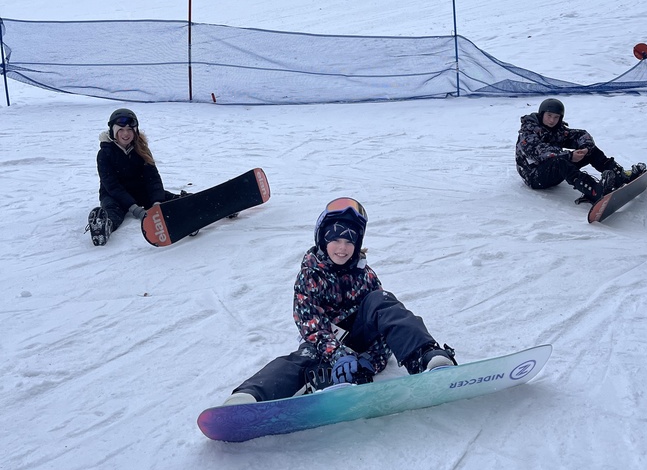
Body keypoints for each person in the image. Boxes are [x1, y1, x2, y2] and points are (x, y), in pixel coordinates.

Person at [221, 198, 457, 405]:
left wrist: (371, 361)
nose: (342, 248)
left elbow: (386, 323)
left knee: (381, 300)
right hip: (325, 343)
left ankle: (426, 357)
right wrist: (338, 355)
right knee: (300, 361)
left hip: (362, 339)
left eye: (349, 241)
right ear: (322, 239)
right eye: (335, 239)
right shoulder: (310, 275)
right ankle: (250, 396)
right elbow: (311, 326)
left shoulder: (366, 274)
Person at [516, 98, 646, 204]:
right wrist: (569, 156)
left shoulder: (557, 130)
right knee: (560, 161)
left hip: (553, 170)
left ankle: (620, 176)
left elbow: (580, 135)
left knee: (590, 151)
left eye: (556, 117)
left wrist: (586, 148)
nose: (552, 120)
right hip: (534, 176)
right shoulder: (528, 131)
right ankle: (594, 191)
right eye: (549, 115)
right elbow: (539, 152)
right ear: (541, 114)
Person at [85, 109, 182, 245]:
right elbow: (111, 185)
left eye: (130, 129)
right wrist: (135, 209)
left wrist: (157, 202)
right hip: (114, 195)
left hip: (140, 192)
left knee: (167, 199)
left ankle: (192, 204)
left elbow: (152, 179)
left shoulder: (141, 149)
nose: (126, 134)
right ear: (113, 131)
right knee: (113, 211)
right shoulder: (105, 154)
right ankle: (103, 226)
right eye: (121, 129)